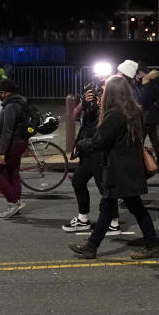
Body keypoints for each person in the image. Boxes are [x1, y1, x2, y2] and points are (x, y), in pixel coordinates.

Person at [69, 75, 159, 260]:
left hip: (118, 168)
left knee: (131, 207)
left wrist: (80, 144)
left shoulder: (114, 114)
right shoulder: (133, 110)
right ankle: (91, 246)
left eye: (105, 89)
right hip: (128, 167)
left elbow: (99, 141)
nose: (102, 91)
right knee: (114, 206)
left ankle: (151, 245)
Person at [61, 81, 118, 236]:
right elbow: (75, 116)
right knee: (78, 181)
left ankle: (113, 222)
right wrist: (84, 102)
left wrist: (102, 105)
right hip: (88, 148)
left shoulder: (112, 105)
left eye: (102, 90)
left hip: (99, 148)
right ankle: (83, 219)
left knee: (104, 187)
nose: (99, 93)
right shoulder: (90, 104)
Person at [0, 79, 30, 219]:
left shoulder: (11, 106)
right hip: (20, 142)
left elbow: (8, 130)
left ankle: (13, 202)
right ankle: (16, 202)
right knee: (12, 172)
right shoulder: (19, 102)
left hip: (13, 143)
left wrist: (2, 152)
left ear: (4, 93)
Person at [134, 64, 159, 173]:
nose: (137, 75)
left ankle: (143, 164)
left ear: (143, 73)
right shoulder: (155, 83)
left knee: (141, 141)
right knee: (154, 141)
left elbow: (144, 101)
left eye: (138, 73)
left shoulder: (148, 85)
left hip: (147, 117)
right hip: (153, 116)